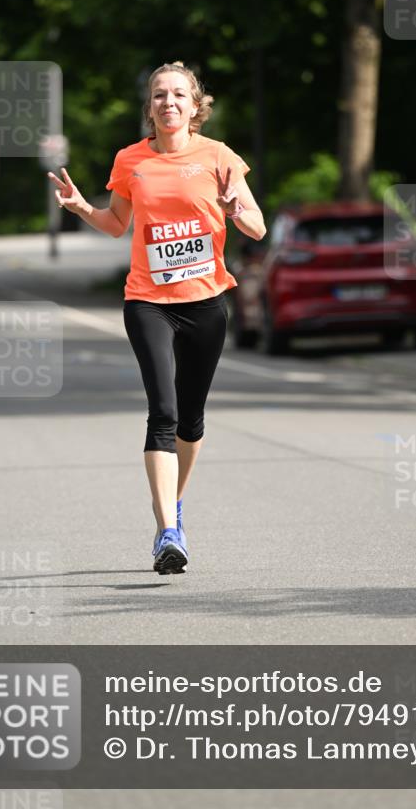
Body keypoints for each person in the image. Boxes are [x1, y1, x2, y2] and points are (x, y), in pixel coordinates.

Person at [47, 61, 267, 574]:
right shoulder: (131, 160)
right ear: (150, 107)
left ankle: (174, 505)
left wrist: (234, 209)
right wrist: (81, 208)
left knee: (191, 420)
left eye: (179, 95)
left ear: (195, 105)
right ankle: (168, 531)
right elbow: (116, 223)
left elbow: (257, 228)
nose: (169, 102)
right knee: (163, 412)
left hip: (206, 302)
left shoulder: (218, 157)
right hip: (148, 302)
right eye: (160, 95)